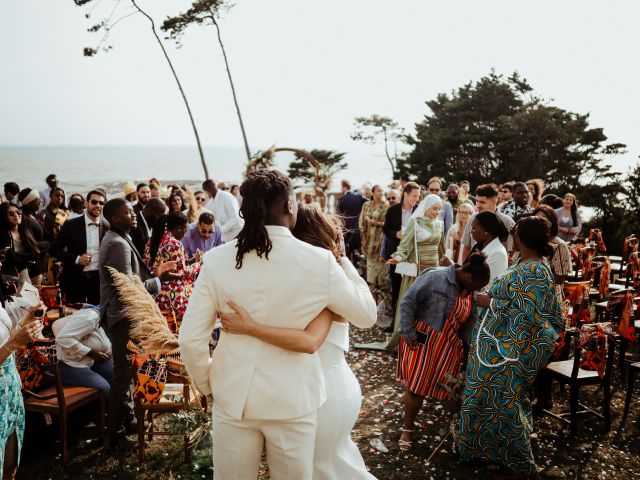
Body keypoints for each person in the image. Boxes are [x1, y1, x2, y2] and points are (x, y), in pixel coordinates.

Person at [179, 170, 376, 480]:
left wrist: (208, 383)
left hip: (234, 395)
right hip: (293, 401)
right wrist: (341, 260)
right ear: (290, 206)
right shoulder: (319, 262)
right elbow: (366, 315)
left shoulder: (216, 260)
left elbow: (191, 338)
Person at [458, 216, 563, 478]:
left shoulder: (537, 271)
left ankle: (513, 456)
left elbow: (533, 316)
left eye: (515, 233)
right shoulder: (520, 261)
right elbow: (510, 295)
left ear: (522, 238)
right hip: (493, 345)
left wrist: (490, 303)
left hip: (511, 349)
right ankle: (481, 449)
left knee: (503, 400)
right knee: (481, 396)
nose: (512, 236)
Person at [99, 198, 176, 451]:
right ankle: (115, 435)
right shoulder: (117, 244)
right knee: (122, 375)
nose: (134, 215)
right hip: (122, 317)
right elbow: (128, 289)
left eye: (133, 212)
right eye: (127, 212)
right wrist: (158, 280)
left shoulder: (119, 238)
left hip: (124, 317)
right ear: (115, 217)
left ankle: (128, 419)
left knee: (128, 372)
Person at [397, 253, 490, 450]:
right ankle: (408, 429)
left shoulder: (469, 291)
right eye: (478, 286)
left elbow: (469, 325)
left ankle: (457, 432)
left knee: (451, 391)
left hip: (449, 345)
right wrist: (408, 333)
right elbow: (408, 303)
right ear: (469, 277)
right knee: (417, 387)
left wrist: (473, 350)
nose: (478, 291)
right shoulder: (434, 277)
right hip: (422, 340)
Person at [385, 194, 445, 350]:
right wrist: (398, 257)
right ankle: (406, 340)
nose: (437, 212)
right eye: (434, 208)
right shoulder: (415, 222)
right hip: (417, 270)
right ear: (426, 207)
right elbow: (405, 246)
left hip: (435, 270)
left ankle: (427, 340)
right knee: (412, 305)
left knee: (431, 306)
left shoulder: (440, 224)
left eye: (439, 209)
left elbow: (441, 249)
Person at [1, 301, 44, 480]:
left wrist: (22, 325)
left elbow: (4, 339)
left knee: (10, 466)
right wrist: (16, 342)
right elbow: (9, 344)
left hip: (11, 390)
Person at [144, 212, 201, 330]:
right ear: (178, 228)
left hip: (155, 293)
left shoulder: (152, 240)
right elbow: (181, 273)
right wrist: (198, 265)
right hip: (173, 299)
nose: (185, 234)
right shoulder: (174, 244)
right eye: (185, 230)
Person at [50, 190, 108, 305]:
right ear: (86, 203)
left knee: (98, 316)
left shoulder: (107, 226)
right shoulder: (70, 225)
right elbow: (53, 250)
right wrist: (77, 259)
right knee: (75, 316)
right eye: (94, 202)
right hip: (75, 279)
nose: (98, 205)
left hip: (98, 281)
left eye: (101, 203)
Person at [55, 306, 112, 397]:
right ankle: (98, 410)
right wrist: (91, 353)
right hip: (70, 363)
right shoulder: (91, 317)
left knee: (118, 378)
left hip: (92, 361)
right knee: (104, 388)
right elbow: (63, 338)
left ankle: (116, 409)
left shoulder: (109, 320)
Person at [382, 182, 421, 312]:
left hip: (413, 255)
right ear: (406, 194)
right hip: (395, 253)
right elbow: (386, 229)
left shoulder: (420, 210)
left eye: (418, 196)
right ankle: (395, 320)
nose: (417, 199)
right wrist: (396, 233)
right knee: (396, 286)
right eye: (414, 196)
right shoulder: (392, 210)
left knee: (412, 288)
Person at [460, 184, 515, 274]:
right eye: (477, 201)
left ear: (495, 201)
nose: (477, 205)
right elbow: (467, 246)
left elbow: (512, 252)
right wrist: (464, 270)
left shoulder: (508, 222)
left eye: (482, 202)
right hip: (473, 273)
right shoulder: (473, 218)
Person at [0, 203, 42, 285]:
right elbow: (11, 257)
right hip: (11, 279)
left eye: (18, 212)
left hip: (32, 276)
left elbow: (36, 253)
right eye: (11, 213)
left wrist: (19, 255)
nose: (16, 215)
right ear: (4, 216)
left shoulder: (25, 232)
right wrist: (27, 256)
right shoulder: (3, 234)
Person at [358, 185, 389, 298]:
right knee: (370, 265)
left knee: (380, 267)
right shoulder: (366, 205)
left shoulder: (386, 206)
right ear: (373, 193)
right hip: (368, 241)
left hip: (380, 241)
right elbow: (361, 221)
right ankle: (371, 292)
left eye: (382, 191)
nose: (381, 193)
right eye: (378, 191)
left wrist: (377, 223)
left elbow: (388, 224)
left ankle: (381, 293)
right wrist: (363, 235)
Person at [468, 211, 509, 289]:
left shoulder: (498, 253)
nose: (471, 231)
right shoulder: (477, 246)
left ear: (486, 230)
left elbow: (489, 286)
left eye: (474, 228)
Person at [16, 189, 46, 284]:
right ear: (29, 202)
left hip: (38, 265)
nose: (40, 201)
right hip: (32, 269)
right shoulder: (24, 219)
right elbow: (29, 244)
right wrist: (48, 244)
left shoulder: (32, 217)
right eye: (37, 199)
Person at [202, 179, 244, 243]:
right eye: (209, 187)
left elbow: (235, 218)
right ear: (206, 191)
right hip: (225, 236)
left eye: (212, 186)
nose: (211, 189)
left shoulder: (227, 196)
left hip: (238, 232)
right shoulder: (209, 204)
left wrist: (220, 231)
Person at [336, 179, 367, 262]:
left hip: (346, 230)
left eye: (341, 187)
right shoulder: (359, 196)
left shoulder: (341, 199)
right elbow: (369, 203)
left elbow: (338, 216)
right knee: (359, 253)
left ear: (344, 187)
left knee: (346, 253)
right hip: (358, 229)